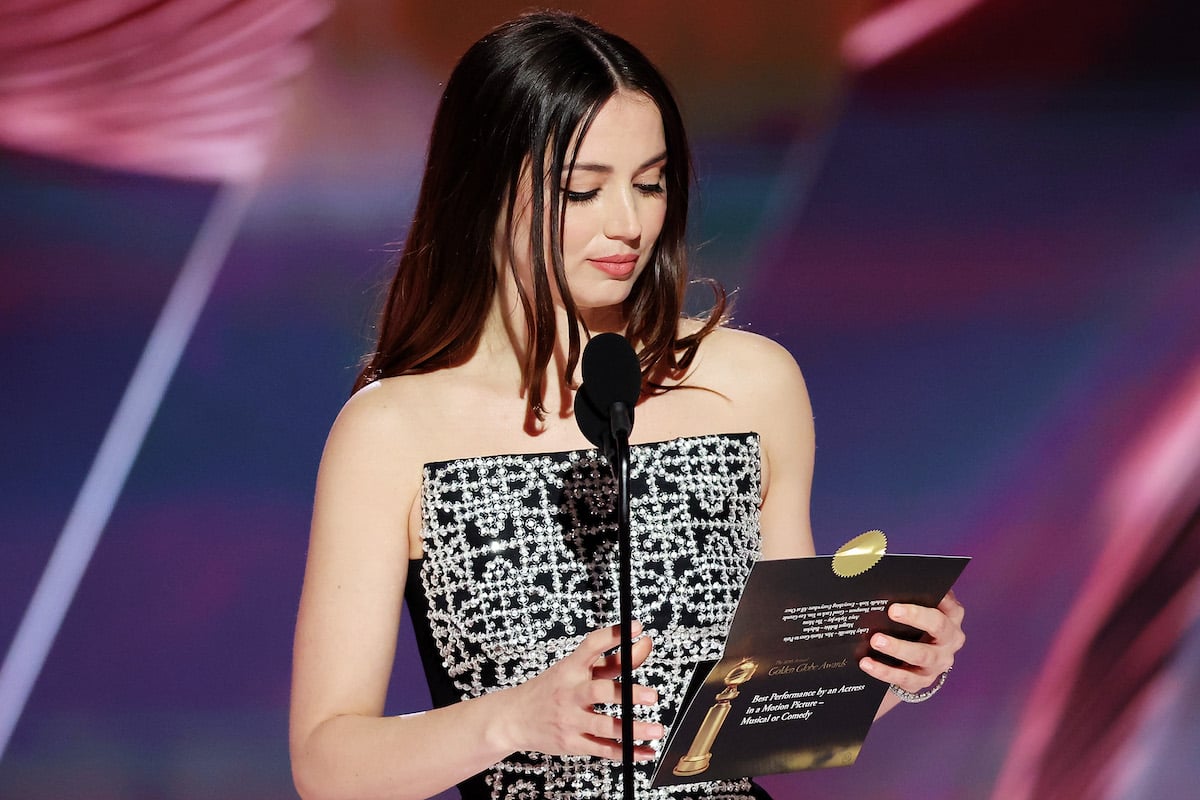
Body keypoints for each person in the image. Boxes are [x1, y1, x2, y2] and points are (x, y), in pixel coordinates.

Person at [289, 10, 966, 800]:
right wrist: (511, 720)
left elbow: (777, 710)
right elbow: (328, 764)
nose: (629, 223)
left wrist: (891, 668)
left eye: (651, 182)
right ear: (482, 187)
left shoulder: (748, 385)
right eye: (584, 189)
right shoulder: (391, 431)